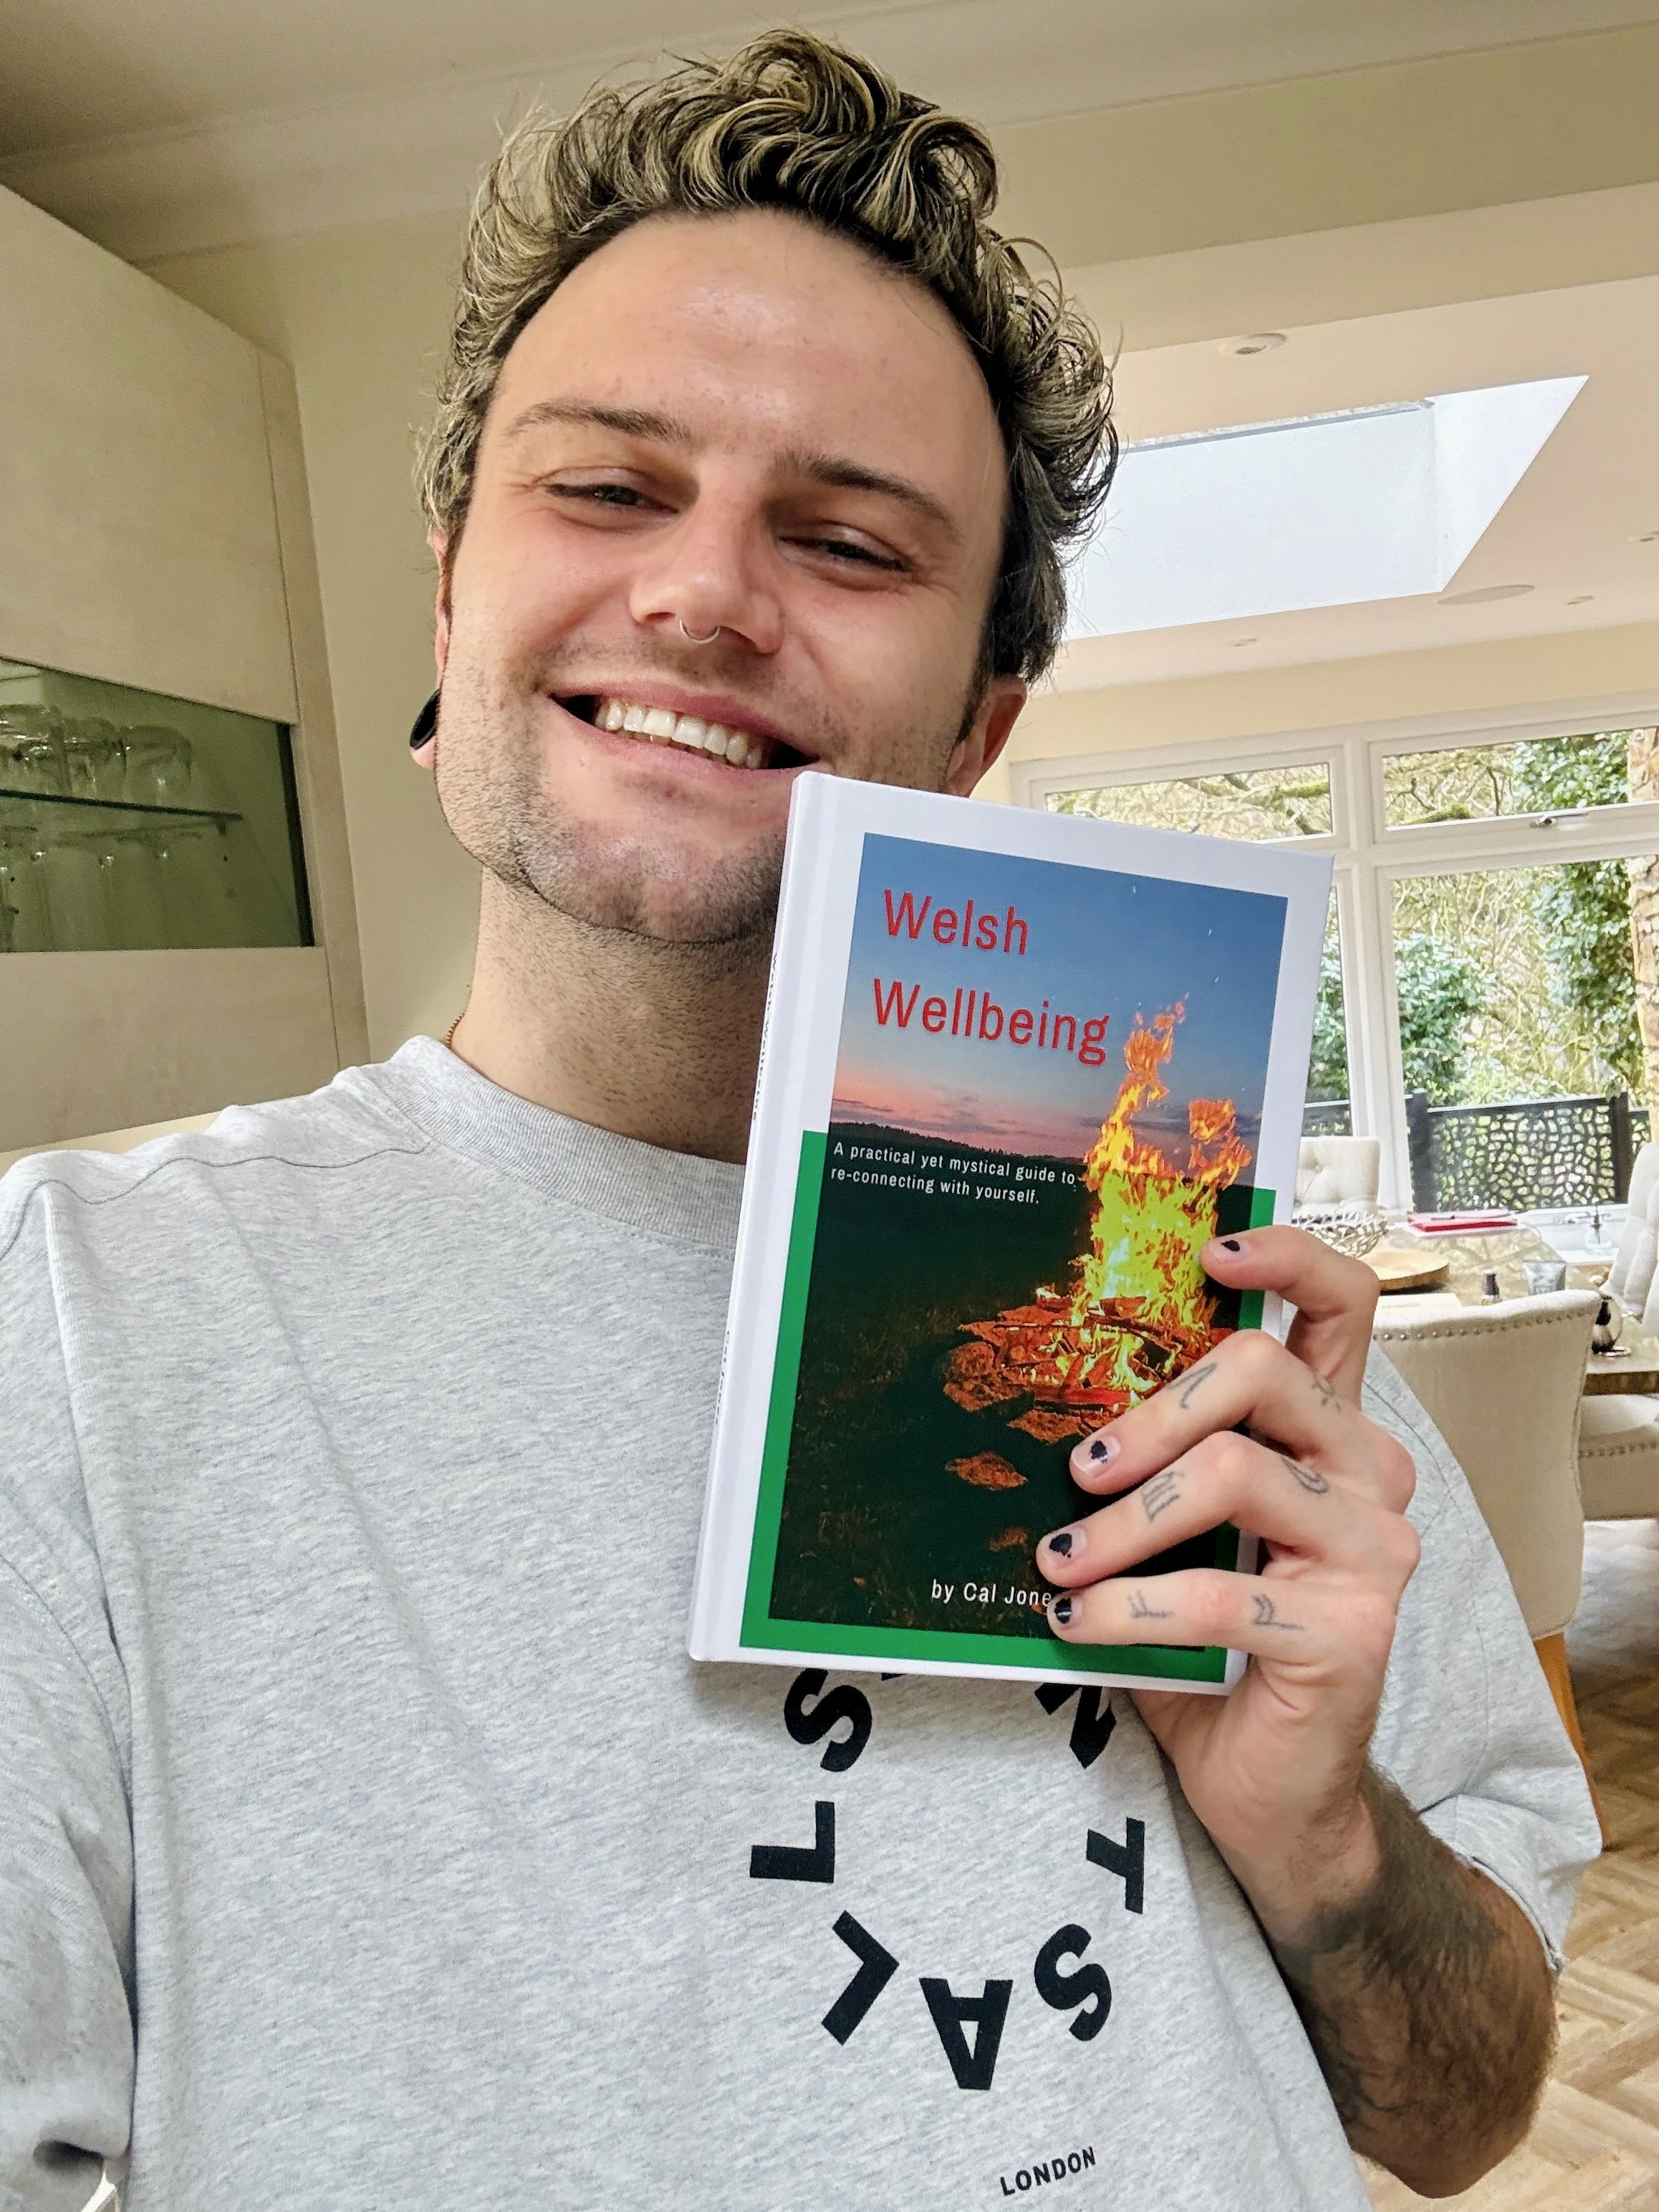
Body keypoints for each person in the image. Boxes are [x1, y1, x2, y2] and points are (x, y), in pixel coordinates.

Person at [0, 33, 1597, 2212]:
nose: (704, 596)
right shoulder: (76, 1330)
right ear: (449, 585)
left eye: (846, 538)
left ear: (975, 728)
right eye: (604, 487)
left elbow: (1466, 2111)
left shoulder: (1209, 1322)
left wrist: (1316, 1837)